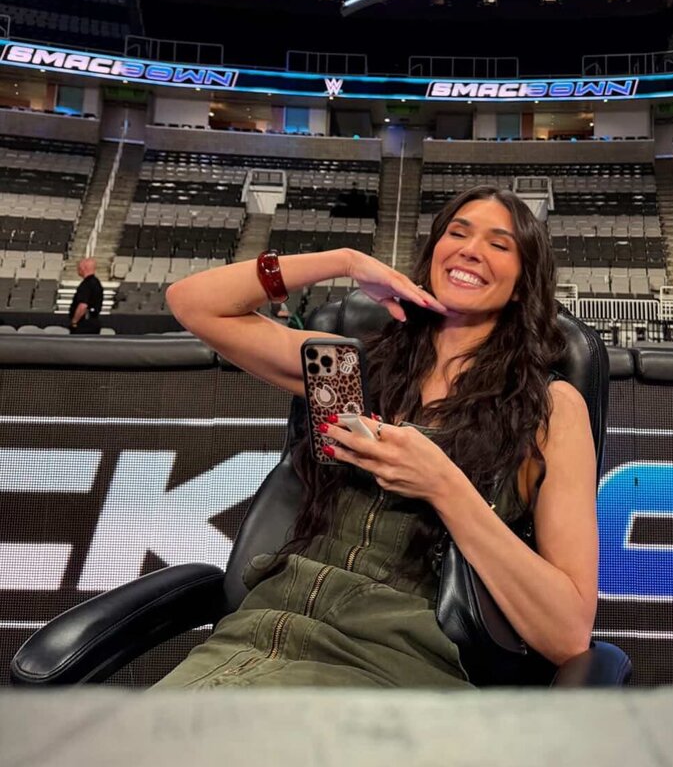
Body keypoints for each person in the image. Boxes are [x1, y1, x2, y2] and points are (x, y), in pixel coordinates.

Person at [154, 185, 598, 689]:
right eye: (457, 233)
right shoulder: (348, 367)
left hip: (392, 668)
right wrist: (343, 261)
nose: (471, 250)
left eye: (499, 244)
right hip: (249, 642)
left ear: (521, 283)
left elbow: (568, 633)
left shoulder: (549, 408)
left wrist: (445, 486)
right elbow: (191, 302)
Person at [68, 257, 103, 335]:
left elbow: (83, 306)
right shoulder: (97, 283)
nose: (78, 269)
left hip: (84, 324)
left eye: (79, 267)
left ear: (84, 268)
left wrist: (74, 321)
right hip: (94, 322)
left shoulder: (86, 285)